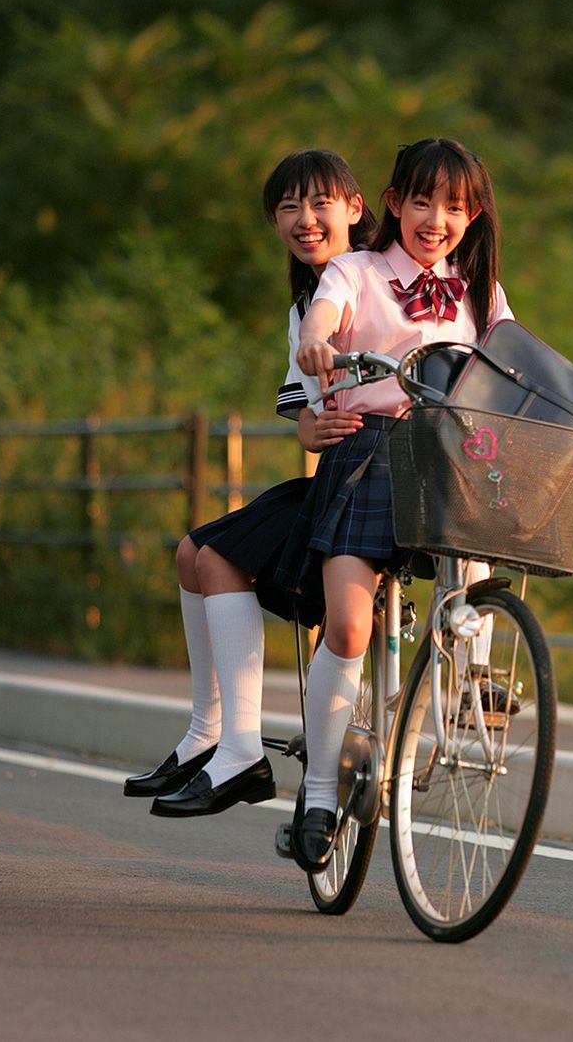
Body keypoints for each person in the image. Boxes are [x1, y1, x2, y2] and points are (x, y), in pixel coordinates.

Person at [122, 149, 373, 817]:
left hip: (374, 483)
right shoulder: (305, 305)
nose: (304, 219)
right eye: (288, 207)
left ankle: (237, 748)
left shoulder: (380, 277)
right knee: (190, 552)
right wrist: (309, 429)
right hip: (339, 473)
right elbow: (310, 412)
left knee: (218, 557)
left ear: (355, 206)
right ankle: (211, 734)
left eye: (320, 203)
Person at [282, 137, 510, 868]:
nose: (435, 219)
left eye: (453, 206)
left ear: (472, 215)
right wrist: (318, 346)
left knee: (481, 536)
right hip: (371, 449)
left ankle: (469, 661)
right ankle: (319, 795)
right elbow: (323, 319)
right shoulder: (356, 270)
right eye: (421, 201)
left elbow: (518, 359)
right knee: (348, 626)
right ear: (393, 203)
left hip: (451, 454)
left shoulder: (480, 291)